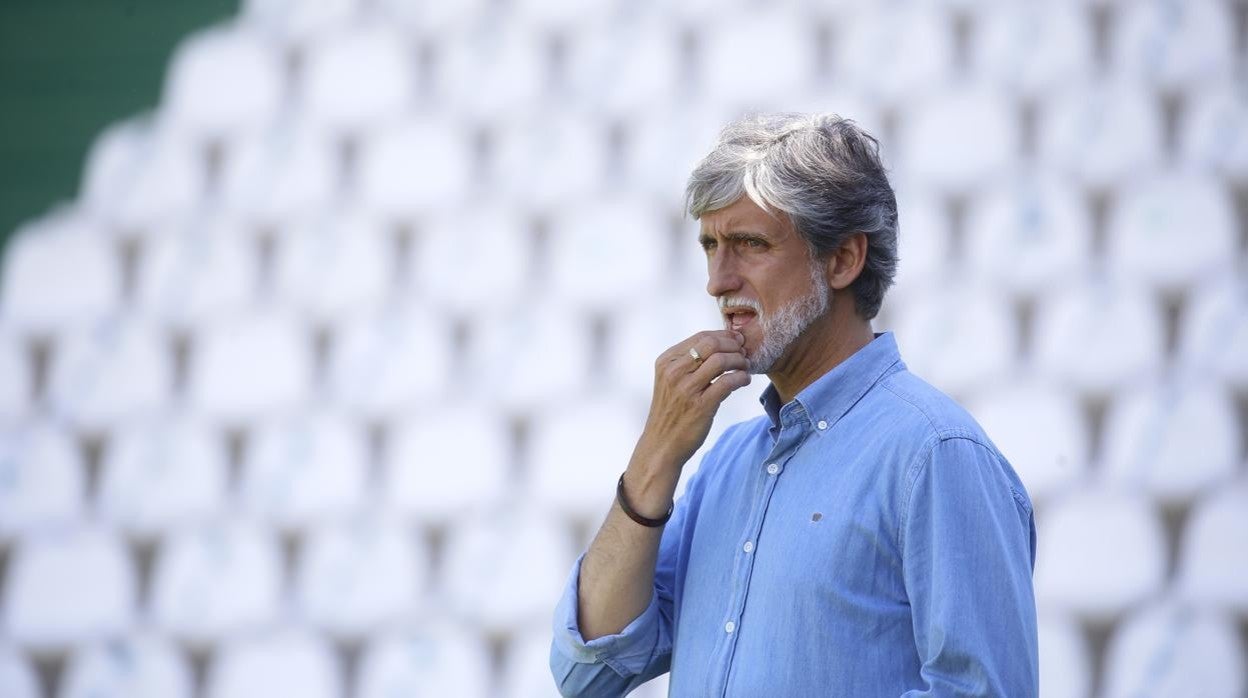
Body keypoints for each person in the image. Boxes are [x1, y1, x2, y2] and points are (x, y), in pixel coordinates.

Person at [549, 113, 1038, 696]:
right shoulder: (724, 462)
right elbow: (589, 671)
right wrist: (656, 455)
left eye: (749, 244)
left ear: (842, 261)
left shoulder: (936, 453)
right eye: (710, 246)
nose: (717, 281)